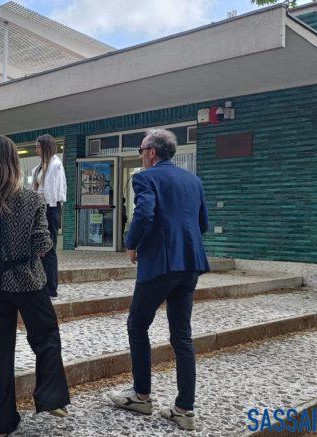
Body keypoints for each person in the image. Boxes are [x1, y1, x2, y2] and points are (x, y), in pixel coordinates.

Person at [0, 135, 70, 436]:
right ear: (14, 161)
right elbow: (43, 242)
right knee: (46, 338)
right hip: (28, 281)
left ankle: (4, 420)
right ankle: (49, 396)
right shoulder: (32, 199)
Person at [107, 129, 209, 431]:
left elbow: (145, 213)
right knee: (182, 336)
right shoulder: (194, 180)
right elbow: (202, 223)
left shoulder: (145, 177)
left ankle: (142, 395)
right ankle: (184, 409)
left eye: (141, 150)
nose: (140, 155)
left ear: (152, 152)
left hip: (160, 265)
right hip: (189, 262)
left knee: (137, 324)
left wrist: (132, 242)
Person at [31, 134, 67, 298]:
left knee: (49, 248)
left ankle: (51, 289)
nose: (36, 150)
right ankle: (44, 284)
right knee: (42, 247)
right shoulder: (42, 165)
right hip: (42, 208)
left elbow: (52, 191)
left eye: (38, 147)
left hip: (50, 208)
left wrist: (42, 207)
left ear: (45, 147)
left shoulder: (55, 164)